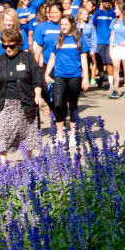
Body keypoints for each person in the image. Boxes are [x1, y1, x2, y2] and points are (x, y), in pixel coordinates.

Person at [0, 26, 47, 163]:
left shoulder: (28, 58)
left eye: (11, 46)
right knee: (2, 135)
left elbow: (37, 80)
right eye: (4, 46)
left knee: (27, 135)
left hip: (25, 103)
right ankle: (1, 167)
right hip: (4, 104)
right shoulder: (0, 60)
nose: (8, 49)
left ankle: (29, 164)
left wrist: (38, 95)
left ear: (19, 45)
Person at [45, 15, 87, 152]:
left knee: (73, 105)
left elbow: (84, 59)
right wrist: (46, 73)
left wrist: (85, 77)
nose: (63, 27)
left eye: (65, 24)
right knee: (58, 104)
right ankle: (60, 135)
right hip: (59, 75)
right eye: (61, 24)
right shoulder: (56, 39)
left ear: (71, 25)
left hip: (74, 75)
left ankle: (73, 134)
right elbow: (52, 57)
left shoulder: (79, 39)